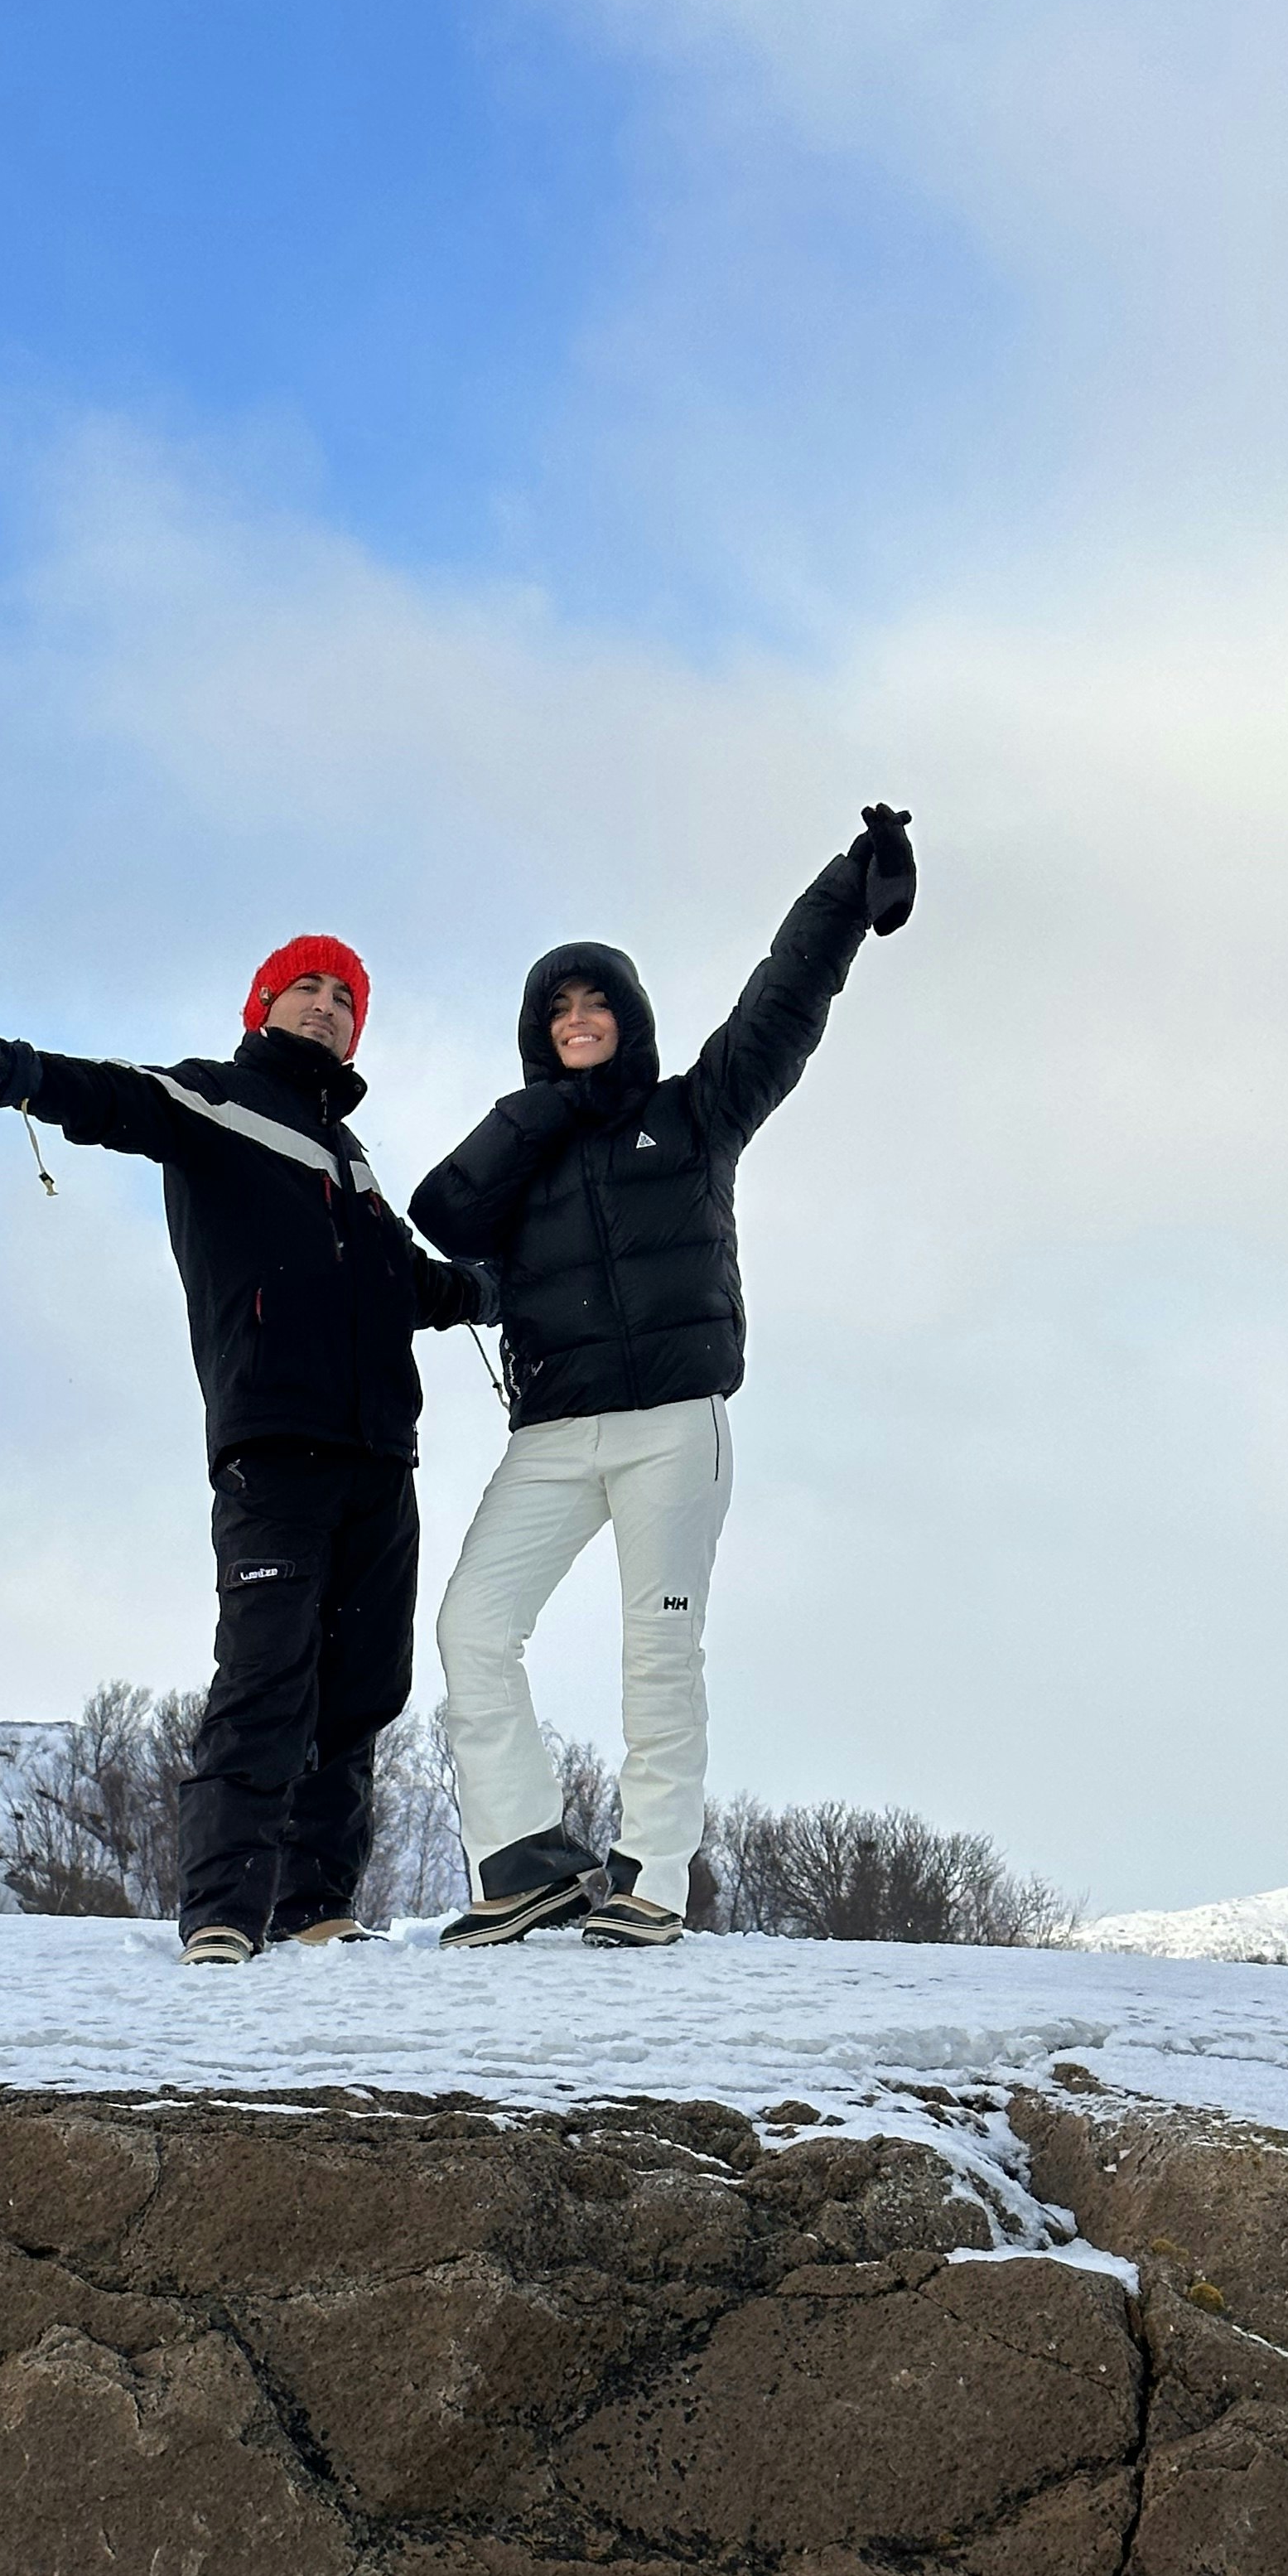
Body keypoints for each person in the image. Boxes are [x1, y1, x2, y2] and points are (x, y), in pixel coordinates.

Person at [0, 938, 489, 1965]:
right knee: (266, 1680)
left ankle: (314, 1903)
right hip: (275, 1445)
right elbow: (107, 1098)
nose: (328, 1006)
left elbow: (416, 1287)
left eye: (346, 997)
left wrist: (500, 1289)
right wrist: (4, 1073)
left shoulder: (356, 1166)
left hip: (384, 1459)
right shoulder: (216, 1101)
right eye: (307, 987)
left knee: (359, 1696)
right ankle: (221, 1911)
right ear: (263, 1003)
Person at [408, 808, 916, 1951]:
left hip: (676, 1427)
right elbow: (440, 1213)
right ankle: (527, 1857)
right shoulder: (523, 1158)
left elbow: (778, 1008)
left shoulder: (694, 1114)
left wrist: (846, 891)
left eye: (596, 1004)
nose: (579, 1020)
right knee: (471, 1628)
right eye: (558, 1010)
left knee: (657, 1646)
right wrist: (542, 1107)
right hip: (552, 1436)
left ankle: (651, 1874)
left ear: (628, 1019)